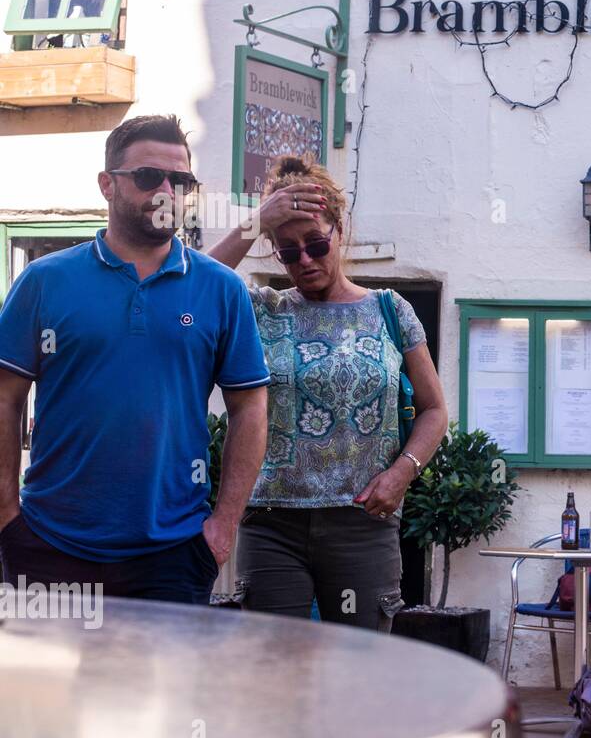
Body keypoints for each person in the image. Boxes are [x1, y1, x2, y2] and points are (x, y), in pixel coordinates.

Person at [0, 115, 269, 603]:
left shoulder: (221, 289)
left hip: (173, 553)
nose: (167, 190)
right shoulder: (44, 281)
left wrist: (223, 526)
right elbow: (4, 398)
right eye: (148, 177)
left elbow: (250, 407)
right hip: (47, 544)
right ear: (107, 184)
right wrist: (5, 513)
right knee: (46, 684)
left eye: (181, 180)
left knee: (161, 684)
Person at [207, 155, 448, 632]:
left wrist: (402, 473)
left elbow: (435, 409)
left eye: (316, 243)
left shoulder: (390, 310)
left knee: (358, 672)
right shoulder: (263, 310)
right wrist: (257, 222)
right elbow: (193, 285)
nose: (306, 260)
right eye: (288, 250)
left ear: (341, 231)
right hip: (271, 521)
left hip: (361, 522)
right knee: (277, 671)